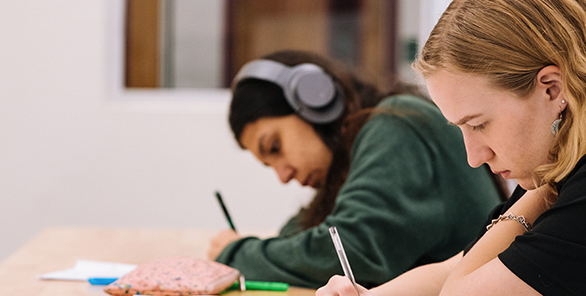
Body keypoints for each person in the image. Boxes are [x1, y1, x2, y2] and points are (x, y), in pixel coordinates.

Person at [316, 0, 586, 295]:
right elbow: (461, 265)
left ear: (553, 88)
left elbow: (461, 292)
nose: (474, 156)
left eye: (479, 124)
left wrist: (545, 189)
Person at [206, 50, 505, 289]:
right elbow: (295, 238)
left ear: (314, 98)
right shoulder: (354, 154)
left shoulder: (397, 126)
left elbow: (349, 251)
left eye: (275, 147)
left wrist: (234, 253)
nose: (284, 176)